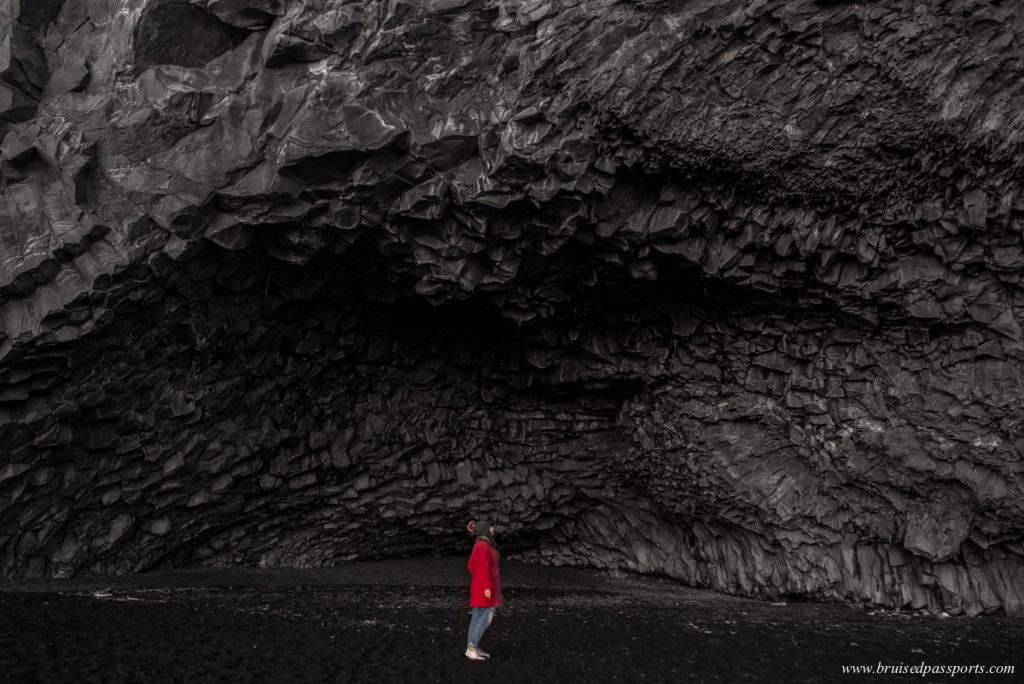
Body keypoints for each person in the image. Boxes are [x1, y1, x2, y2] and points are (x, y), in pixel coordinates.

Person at [465, 519, 501, 660]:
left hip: (479, 586)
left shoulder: (479, 544)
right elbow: (484, 568)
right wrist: (486, 586)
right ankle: (471, 648)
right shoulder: (484, 546)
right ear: (486, 530)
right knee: (485, 619)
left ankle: (472, 647)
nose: (492, 528)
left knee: (476, 618)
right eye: (490, 527)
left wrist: (480, 581)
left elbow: (471, 566)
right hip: (486, 588)